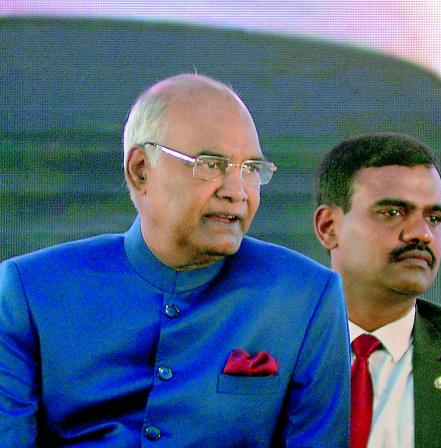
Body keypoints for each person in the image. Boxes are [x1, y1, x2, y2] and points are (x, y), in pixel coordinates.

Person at [0, 74, 351, 447]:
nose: (237, 192)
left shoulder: (305, 297)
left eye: (250, 169)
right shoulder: (30, 290)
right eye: (212, 164)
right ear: (140, 170)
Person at [313, 133, 441, 448]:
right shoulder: (272, 345)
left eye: (434, 218)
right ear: (328, 227)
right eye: (393, 213)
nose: (421, 233)